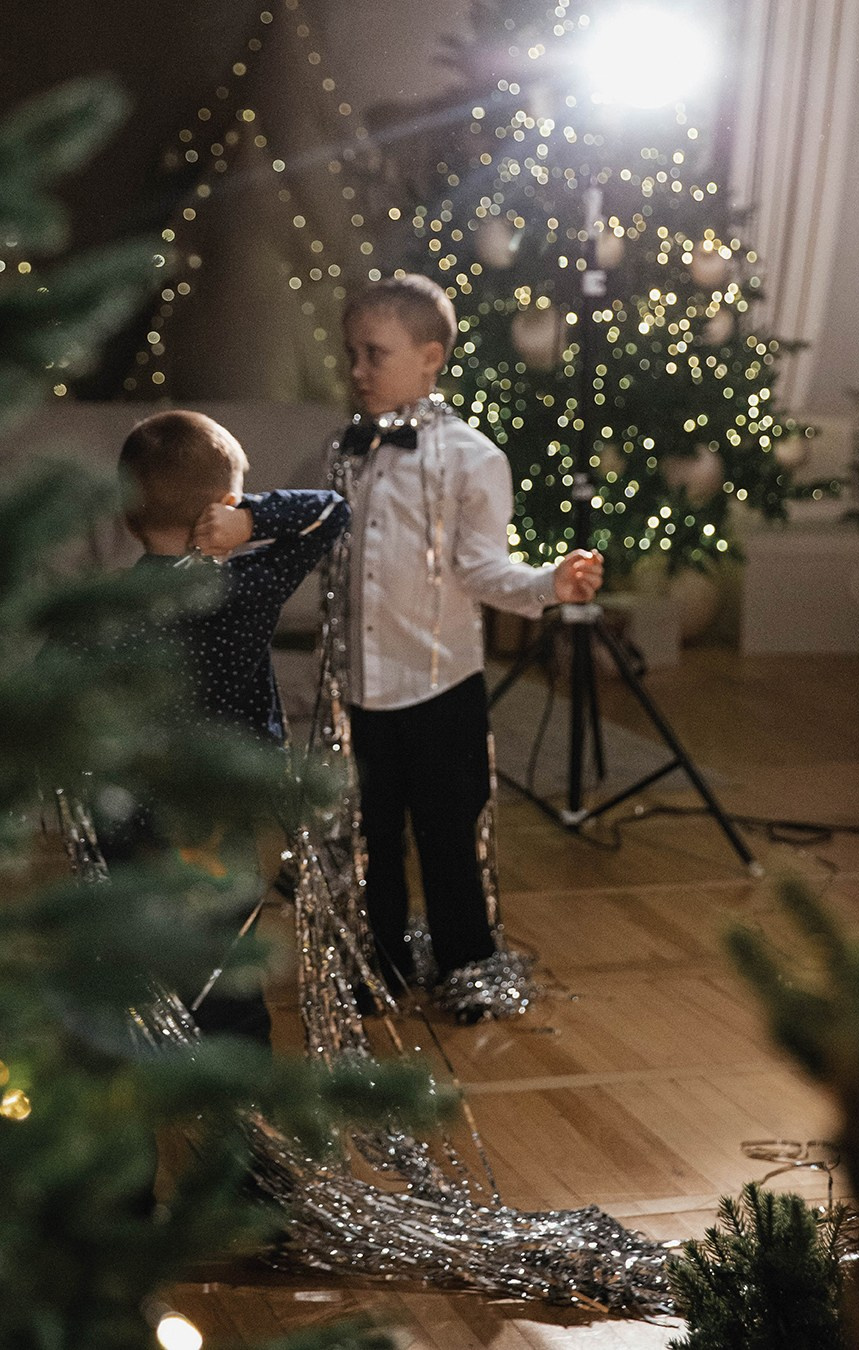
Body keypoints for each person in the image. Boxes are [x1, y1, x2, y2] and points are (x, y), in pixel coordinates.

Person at [332, 273, 603, 1020]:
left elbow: (482, 569)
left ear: (430, 358)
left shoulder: (471, 457)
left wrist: (550, 583)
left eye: (375, 353)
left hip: (438, 686)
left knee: (450, 833)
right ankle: (380, 962)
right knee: (370, 836)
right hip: (363, 689)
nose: (358, 370)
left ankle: (467, 963)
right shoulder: (349, 451)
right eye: (351, 353)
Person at [100, 408, 349, 1043]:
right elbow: (333, 512)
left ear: (128, 515)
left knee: (140, 952)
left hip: (133, 809)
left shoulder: (108, 610)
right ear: (222, 506)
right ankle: (236, 1085)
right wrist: (254, 519)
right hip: (222, 811)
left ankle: (143, 1066)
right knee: (227, 964)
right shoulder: (245, 587)